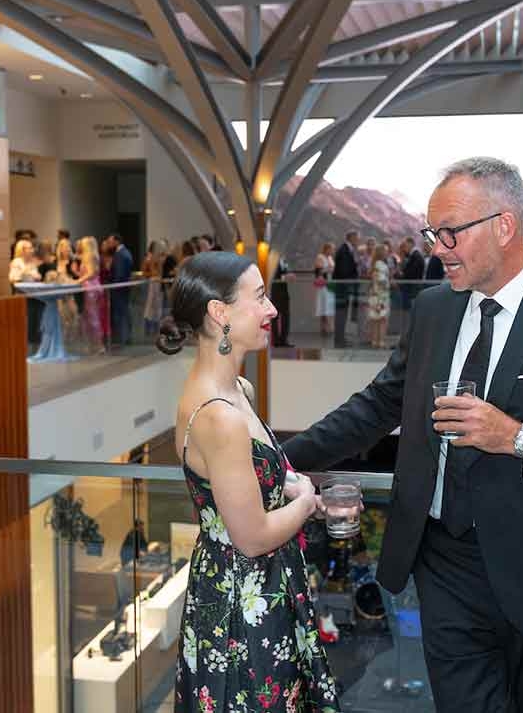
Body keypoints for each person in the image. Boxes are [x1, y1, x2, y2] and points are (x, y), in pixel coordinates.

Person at [282, 157, 523, 712]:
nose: (438, 247)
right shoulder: (434, 309)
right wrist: (276, 455)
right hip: (445, 570)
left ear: (504, 226)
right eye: (433, 233)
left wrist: (520, 437)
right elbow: (381, 404)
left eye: (451, 232)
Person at [157, 251, 340, 713]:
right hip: (243, 605)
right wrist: (306, 500)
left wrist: (294, 485)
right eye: (259, 297)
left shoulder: (238, 392)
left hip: (257, 588)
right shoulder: (219, 417)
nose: (271, 308)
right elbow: (253, 537)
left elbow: (258, 480)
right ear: (219, 313)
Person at [105, 234, 134, 345]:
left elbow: (120, 274)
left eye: (110, 241)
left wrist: (114, 286)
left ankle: (122, 338)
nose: (109, 244)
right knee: (123, 312)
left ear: (116, 241)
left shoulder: (120, 254)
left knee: (121, 313)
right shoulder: (124, 252)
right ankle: (124, 337)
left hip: (119, 290)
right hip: (122, 290)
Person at [332, 231, 360, 347]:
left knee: (343, 314)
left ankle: (341, 338)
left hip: (344, 288)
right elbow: (344, 271)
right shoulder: (344, 251)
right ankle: (339, 340)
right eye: (357, 238)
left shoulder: (347, 250)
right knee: (340, 314)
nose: (358, 241)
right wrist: (353, 277)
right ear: (351, 238)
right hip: (342, 288)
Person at [368, 243, 392, 348]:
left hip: (375, 295)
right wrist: (389, 283)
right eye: (386, 251)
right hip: (381, 296)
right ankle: (381, 341)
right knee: (382, 319)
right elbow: (381, 280)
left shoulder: (375, 264)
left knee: (375, 319)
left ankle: (375, 341)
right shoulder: (380, 264)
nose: (387, 253)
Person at [313, 242, 336, 337]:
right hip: (323, 285)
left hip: (330, 284)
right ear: (326, 249)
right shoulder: (320, 257)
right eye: (331, 249)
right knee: (323, 305)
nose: (333, 251)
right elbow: (318, 271)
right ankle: (325, 328)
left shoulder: (330, 258)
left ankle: (329, 327)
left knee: (329, 306)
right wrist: (328, 269)